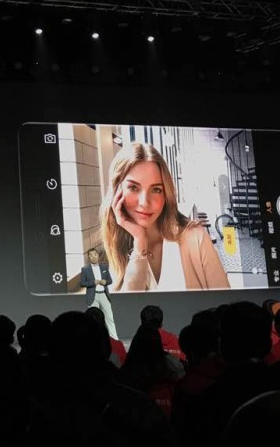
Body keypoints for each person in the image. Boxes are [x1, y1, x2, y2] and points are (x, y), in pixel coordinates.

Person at [100, 141, 230, 291]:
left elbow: (226, 303)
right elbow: (129, 305)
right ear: (117, 192)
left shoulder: (195, 238)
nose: (144, 203)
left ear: (166, 194)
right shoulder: (118, 245)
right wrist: (139, 245)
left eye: (156, 190)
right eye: (133, 187)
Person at [79, 247, 119, 339]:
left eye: (95, 254)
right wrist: (93, 282)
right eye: (91, 255)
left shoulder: (104, 267)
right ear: (89, 257)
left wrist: (105, 282)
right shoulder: (85, 269)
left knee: (109, 318)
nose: (93, 257)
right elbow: (82, 283)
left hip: (104, 295)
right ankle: (94, 340)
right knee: (92, 320)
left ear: (98, 255)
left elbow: (110, 280)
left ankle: (114, 339)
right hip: (93, 296)